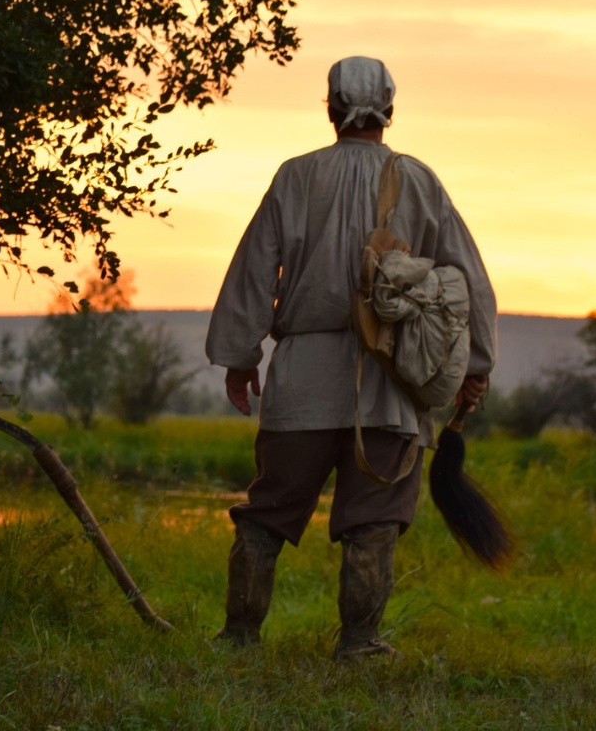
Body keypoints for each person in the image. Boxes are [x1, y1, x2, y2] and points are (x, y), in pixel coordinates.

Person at [205, 56, 497, 660]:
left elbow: (256, 269)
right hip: (392, 383)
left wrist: (240, 356)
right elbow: (467, 281)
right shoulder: (419, 180)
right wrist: (475, 366)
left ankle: (238, 640)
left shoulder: (295, 176)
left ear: (332, 108)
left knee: (267, 515)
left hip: (302, 381)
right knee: (375, 520)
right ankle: (359, 645)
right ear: (390, 109)